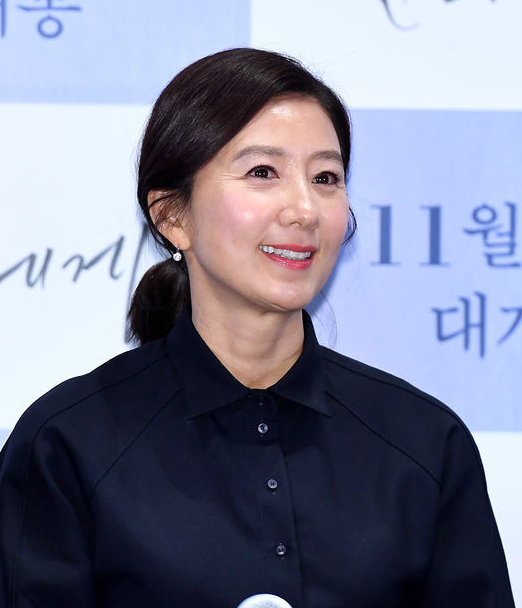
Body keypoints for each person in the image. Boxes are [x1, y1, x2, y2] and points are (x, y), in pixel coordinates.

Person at [0, 48, 515, 608]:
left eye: (325, 177)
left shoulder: (424, 443)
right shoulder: (68, 443)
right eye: (263, 173)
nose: (304, 210)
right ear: (172, 216)